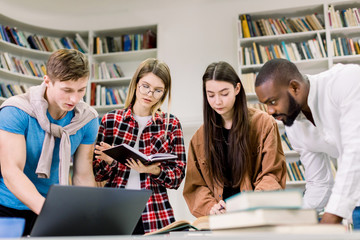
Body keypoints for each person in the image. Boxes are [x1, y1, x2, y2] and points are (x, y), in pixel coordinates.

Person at [0, 49, 99, 236]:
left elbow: (83, 175)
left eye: (81, 90)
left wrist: (89, 215)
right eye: (67, 90)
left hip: (52, 205)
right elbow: (11, 171)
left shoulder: (88, 119)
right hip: (7, 207)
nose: (74, 99)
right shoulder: (16, 110)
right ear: (47, 81)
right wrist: (50, 212)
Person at [254, 58, 360, 227]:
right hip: (357, 204)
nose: (270, 111)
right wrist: (295, 219)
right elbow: (320, 183)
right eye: (265, 105)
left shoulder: (346, 81)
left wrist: (331, 216)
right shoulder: (293, 125)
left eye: (272, 102)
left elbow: (356, 152)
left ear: (294, 87)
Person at [93, 58, 186, 234]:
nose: (150, 94)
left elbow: (178, 177)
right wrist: (111, 162)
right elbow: (98, 174)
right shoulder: (111, 120)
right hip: (114, 210)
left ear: (164, 93)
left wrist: (153, 171)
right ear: (136, 84)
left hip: (155, 212)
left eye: (157, 90)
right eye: (145, 86)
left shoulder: (171, 124)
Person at [183, 61, 286, 217]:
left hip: (254, 215)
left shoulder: (263, 124)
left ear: (237, 88)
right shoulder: (199, 138)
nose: (217, 101)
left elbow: (272, 174)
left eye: (224, 93)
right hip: (219, 219)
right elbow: (195, 186)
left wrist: (247, 204)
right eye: (210, 95)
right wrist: (211, 207)